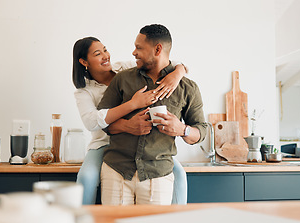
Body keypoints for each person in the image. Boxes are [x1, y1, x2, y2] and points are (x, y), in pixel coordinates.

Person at [98, 24, 207, 205]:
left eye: (139, 48)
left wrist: (182, 129)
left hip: (158, 176)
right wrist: (128, 125)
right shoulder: (122, 79)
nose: (134, 52)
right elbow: (101, 120)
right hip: (116, 171)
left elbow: (203, 131)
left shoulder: (187, 88)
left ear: (158, 49)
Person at [72, 36, 188, 205]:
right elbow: (92, 122)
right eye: (98, 53)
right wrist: (133, 104)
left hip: (136, 140)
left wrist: (177, 74)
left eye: (105, 49)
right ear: (84, 62)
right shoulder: (84, 92)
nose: (106, 55)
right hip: (105, 143)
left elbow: (170, 62)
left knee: (179, 173)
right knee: (86, 177)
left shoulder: (124, 68)